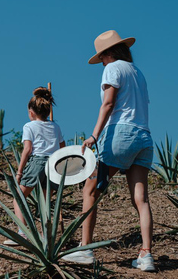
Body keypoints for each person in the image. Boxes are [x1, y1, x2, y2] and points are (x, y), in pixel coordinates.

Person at [62, 30, 155, 271]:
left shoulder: (113, 68)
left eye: (101, 57)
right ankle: (146, 255)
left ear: (110, 53)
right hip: (144, 137)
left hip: (120, 135)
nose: (101, 62)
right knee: (141, 199)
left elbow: (109, 103)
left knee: (90, 189)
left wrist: (94, 135)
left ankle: (85, 249)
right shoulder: (138, 73)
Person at [4, 87, 65, 246]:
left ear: (31, 112)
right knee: (45, 203)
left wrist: (19, 171)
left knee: (18, 197)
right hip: (54, 164)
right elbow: (63, 148)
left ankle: (22, 233)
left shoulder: (29, 127)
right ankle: (46, 238)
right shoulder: (55, 126)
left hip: (37, 163)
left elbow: (28, 150)